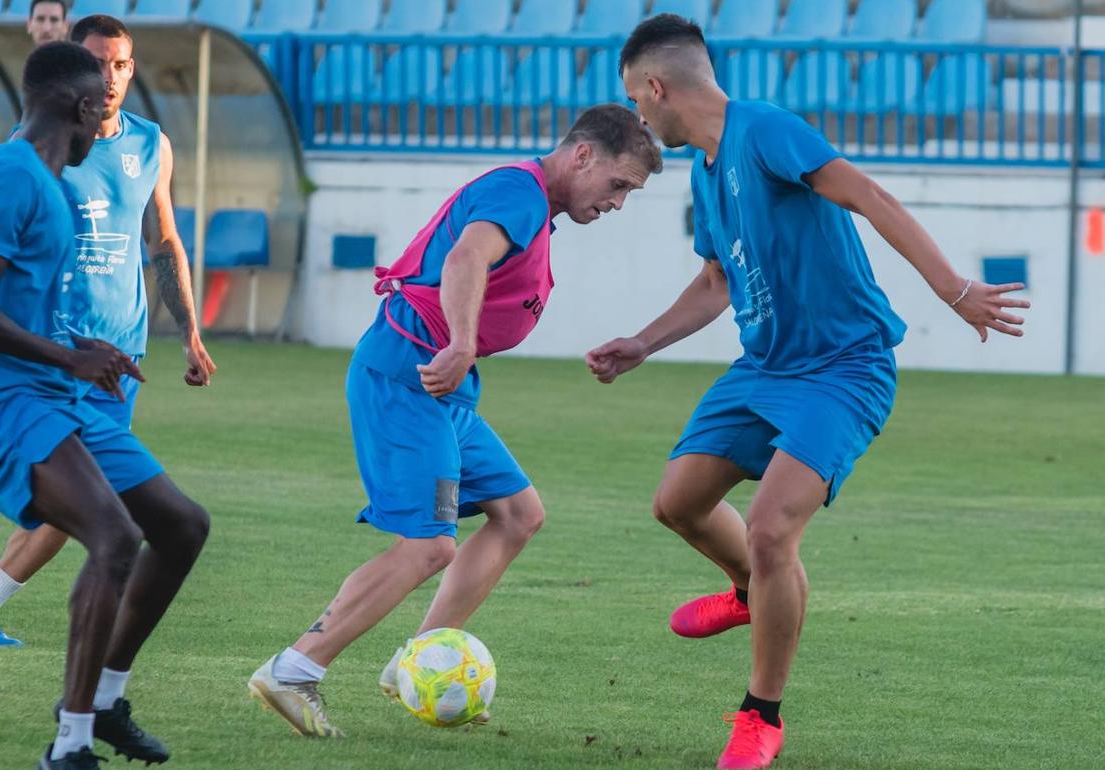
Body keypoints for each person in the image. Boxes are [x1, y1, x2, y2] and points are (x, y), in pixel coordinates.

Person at [586, 15, 1029, 770]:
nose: (637, 115)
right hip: (763, 368)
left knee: (769, 530)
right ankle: (749, 592)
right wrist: (642, 344)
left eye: (634, 98)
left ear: (656, 87)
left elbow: (869, 196)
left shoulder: (765, 129)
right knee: (677, 503)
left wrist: (954, 290)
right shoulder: (704, 173)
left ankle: (761, 716)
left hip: (843, 369)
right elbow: (716, 281)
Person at [247, 104, 663, 738]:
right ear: (583, 156)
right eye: (618, 185)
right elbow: (466, 259)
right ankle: (294, 669)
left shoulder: (534, 206)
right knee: (429, 545)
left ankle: (415, 659)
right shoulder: (519, 192)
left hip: (445, 392)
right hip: (409, 380)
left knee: (519, 514)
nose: (617, 203)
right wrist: (464, 343)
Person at [0, 41, 209, 770]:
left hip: (56, 393)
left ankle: (105, 702)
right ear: (84, 107)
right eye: (100, 107)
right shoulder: (11, 175)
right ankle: (71, 744)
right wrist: (69, 358)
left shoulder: (51, 186)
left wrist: (84, 346)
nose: (106, 122)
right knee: (114, 539)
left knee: (181, 526)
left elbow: (23, 302)